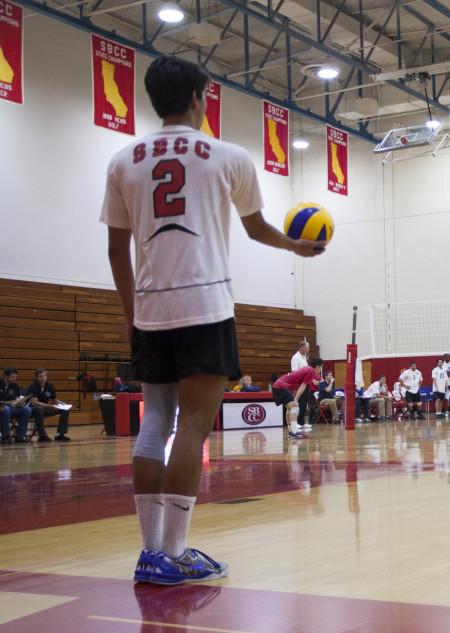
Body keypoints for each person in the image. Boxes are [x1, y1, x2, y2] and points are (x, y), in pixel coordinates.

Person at [102, 55, 324, 586]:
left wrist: (133, 314)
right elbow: (254, 229)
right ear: (200, 96)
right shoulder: (228, 156)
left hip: (152, 308)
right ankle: (173, 551)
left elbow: (116, 249)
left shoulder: (122, 159)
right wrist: (296, 245)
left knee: (154, 421)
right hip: (204, 306)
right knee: (195, 425)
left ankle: (150, 550)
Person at [273, 359, 323, 435]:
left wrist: (294, 399)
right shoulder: (311, 371)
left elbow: (298, 387)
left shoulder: (308, 369)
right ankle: (295, 431)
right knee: (294, 407)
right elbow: (303, 386)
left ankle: (291, 431)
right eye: (321, 366)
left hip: (279, 385)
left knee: (290, 407)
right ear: (317, 366)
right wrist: (296, 399)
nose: (321, 369)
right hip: (281, 386)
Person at [25, 368, 71, 442]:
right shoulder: (33, 387)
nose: (43, 378)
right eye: (41, 376)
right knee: (39, 409)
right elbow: (34, 402)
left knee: (65, 409)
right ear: (36, 377)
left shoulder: (49, 386)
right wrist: (50, 406)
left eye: (44, 376)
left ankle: (60, 434)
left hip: (45, 408)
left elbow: (54, 400)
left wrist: (62, 403)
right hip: (33, 410)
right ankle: (42, 435)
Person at [1, 368, 32, 444]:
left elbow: (17, 399)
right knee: (6, 409)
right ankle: (5, 437)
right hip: (2, 408)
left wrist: (20, 402)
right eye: (12, 377)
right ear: (5, 376)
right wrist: (11, 402)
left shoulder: (15, 386)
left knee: (27, 409)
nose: (15, 379)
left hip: (11, 408)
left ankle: (20, 436)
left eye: (15, 377)